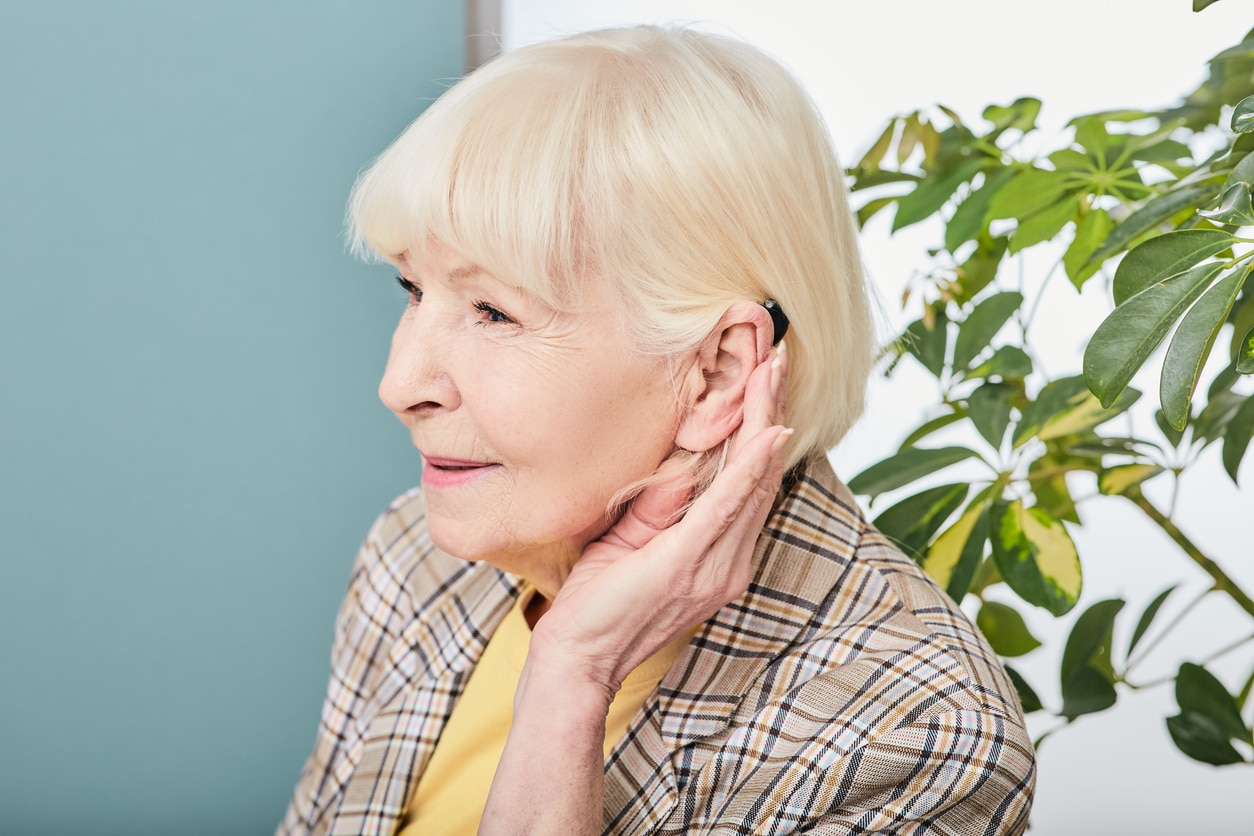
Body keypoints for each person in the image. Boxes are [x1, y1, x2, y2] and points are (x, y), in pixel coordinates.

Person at [279, 25, 1035, 835]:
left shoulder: (913, 737)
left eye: (494, 310)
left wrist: (572, 677)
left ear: (715, 372)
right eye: (413, 290)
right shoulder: (415, 561)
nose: (399, 386)